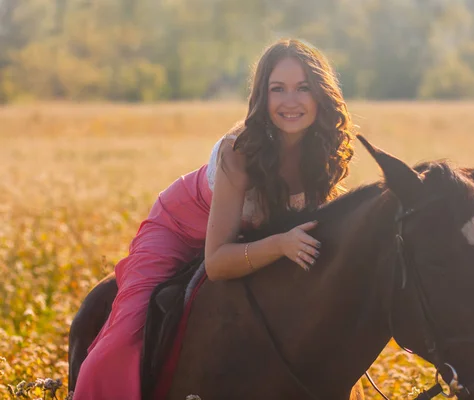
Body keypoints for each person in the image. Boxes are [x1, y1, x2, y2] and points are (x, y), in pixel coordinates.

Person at [72, 38, 355, 399]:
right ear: (261, 97)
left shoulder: (325, 151)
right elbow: (218, 262)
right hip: (180, 229)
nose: (290, 101)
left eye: (303, 88)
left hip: (246, 239)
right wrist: (281, 244)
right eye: (277, 89)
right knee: (125, 338)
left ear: (321, 94)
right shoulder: (239, 151)